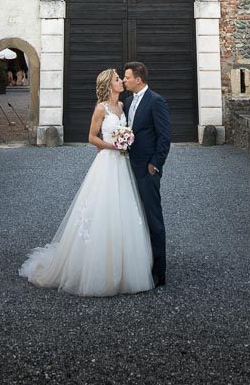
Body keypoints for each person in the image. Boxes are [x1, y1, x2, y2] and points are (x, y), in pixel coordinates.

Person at [18, 67, 154, 296]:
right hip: (107, 162)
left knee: (123, 210)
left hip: (122, 164)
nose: (121, 81)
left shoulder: (122, 106)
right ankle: (95, 268)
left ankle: (123, 265)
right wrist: (113, 146)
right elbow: (91, 137)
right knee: (101, 209)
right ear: (109, 85)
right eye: (118, 79)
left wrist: (126, 143)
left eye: (122, 78)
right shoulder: (100, 109)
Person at [121, 61, 171, 288]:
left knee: (153, 218)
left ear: (138, 79)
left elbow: (164, 136)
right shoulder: (128, 102)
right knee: (134, 217)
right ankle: (139, 262)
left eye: (127, 77)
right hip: (128, 167)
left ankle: (159, 271)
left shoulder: (156, 101)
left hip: (147, 169)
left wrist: (155, 164)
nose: (124, 80)